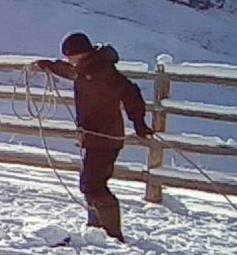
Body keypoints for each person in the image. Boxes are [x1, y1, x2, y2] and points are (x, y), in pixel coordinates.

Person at [34, 32, 152, 242]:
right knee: (89, 182)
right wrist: (50, 65)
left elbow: (130, 92)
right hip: (94, 138)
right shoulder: (86, 68)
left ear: (81, 54)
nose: (70, 61)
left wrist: (139, 123)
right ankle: (96, 229)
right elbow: (71, 72)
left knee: (93, 183)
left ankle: (112, 234)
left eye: (71, 56)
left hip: (106, 137)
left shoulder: (103, 71)